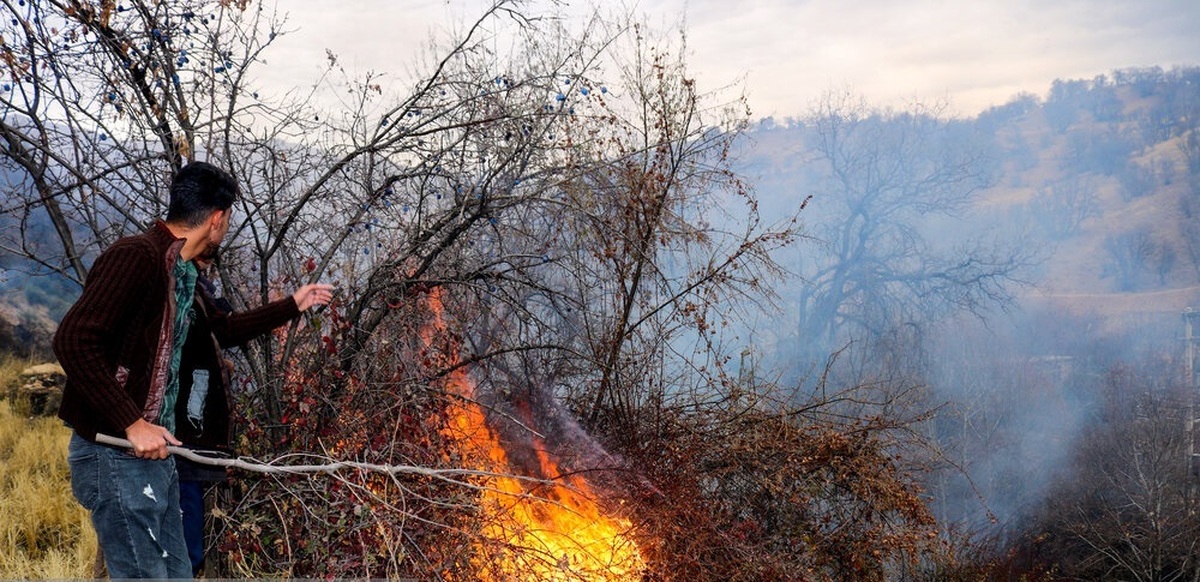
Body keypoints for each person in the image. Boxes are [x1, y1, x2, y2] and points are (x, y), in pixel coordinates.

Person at [53, 161, 333, 579]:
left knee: (178, 574)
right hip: (114, 453)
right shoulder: (136, 257)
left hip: (153, 456)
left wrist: (292, 304)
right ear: (217, 218)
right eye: (228, 218)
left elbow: (220, 329)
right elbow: (72, 340)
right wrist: (132, 423)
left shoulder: (180, 272)